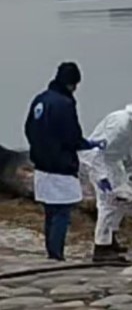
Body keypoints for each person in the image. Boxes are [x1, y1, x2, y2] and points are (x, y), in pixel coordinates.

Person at [24, 62, 107, 261]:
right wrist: (90, 145)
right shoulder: (64, 103)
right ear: (72, 83)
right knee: (62, 212)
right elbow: (72, 137)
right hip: (60, 166)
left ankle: (51, 252)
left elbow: (28, 129)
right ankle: (57, 255)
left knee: (50, 212)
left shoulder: (40, 100)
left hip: (41, 165)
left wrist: (40, 148)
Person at [79, 97, 132, 262]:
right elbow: (96, 151)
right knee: (107, 204)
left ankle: (111, 238)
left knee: (126, 200)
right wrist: (101, 178)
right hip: (98, 161)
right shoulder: (120, 125)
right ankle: (101, 248)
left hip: (114, 162)